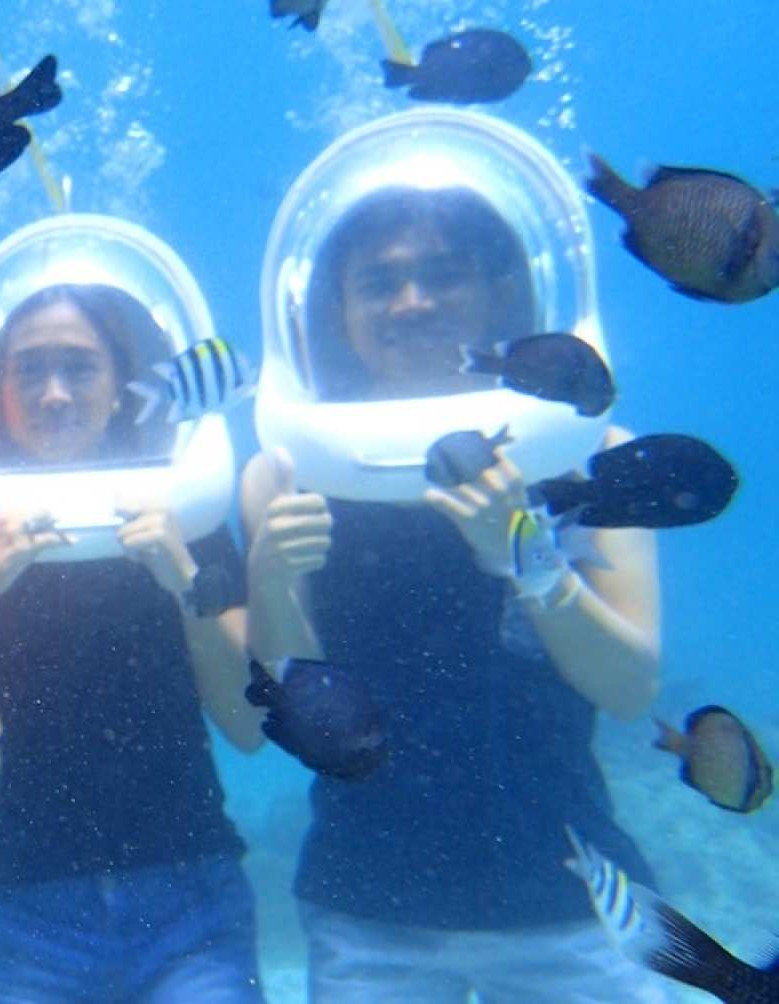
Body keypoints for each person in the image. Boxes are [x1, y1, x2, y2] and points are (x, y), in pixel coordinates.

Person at [243, 110, 666, 1002]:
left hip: (570, 903)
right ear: (338, 310)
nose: (413, 302)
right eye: (379, 282)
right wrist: (269, 577)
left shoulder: (592, 454)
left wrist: (529, 559)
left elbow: (630, 687)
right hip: (370, 912)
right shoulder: (285, 471)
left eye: (444, 274)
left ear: (498, 292)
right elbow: (288, 711)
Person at [0, 251, 266, 1003]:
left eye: (79, 367)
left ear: (121, 385)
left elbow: (249, 725)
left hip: (192, 898)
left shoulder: (187, 513)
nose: (54, 392)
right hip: (22, 908)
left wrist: (183, 578)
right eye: (29, 369)